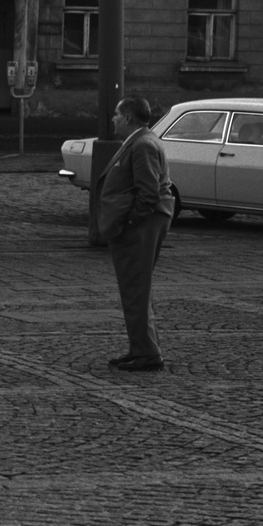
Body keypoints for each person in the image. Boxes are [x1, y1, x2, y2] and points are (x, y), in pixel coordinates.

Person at [95, 97, 174, 371]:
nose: (113, 119)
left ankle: (146, 353)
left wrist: (129, 224)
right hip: (141, 225)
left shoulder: (143, 144)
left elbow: (148, 193)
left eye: (117, 114)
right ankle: (141, 348)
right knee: (135, 289)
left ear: (128, 117)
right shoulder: (140, 141)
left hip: (141, 227)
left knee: (136, 289)